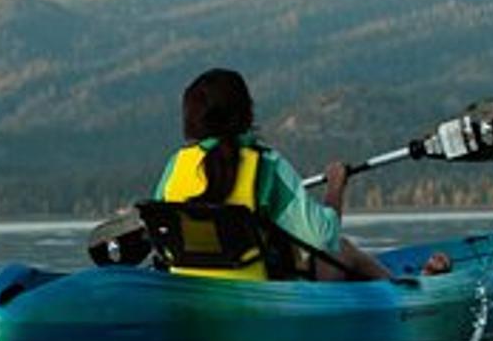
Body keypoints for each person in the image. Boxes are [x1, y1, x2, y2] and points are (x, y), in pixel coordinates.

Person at [152, 69, 448, 281]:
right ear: (246, 114)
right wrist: (335, 186)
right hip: (258, 294)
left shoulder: (175, 166)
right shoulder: (266, 164)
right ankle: (411, 292)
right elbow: (323, 237)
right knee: (344, 250)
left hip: (192, 291)